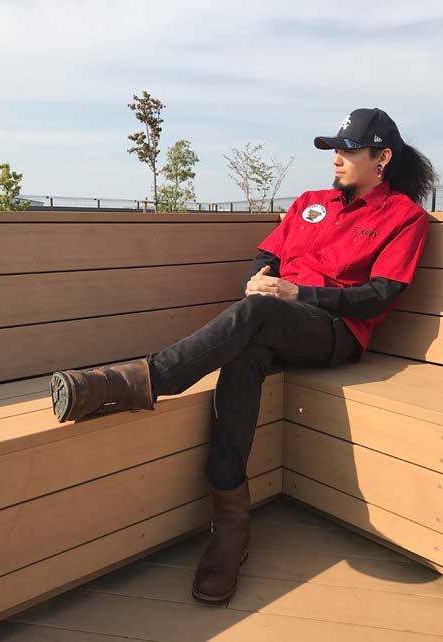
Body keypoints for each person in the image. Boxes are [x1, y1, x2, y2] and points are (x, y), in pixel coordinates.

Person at [50, 107, 437, 605]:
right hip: (271, 320)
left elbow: (380, 295)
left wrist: (299, 294)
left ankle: (137, 380)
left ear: (381, 158)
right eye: (333, 149)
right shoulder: (310, 203)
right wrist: (258, 278)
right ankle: (230, 523)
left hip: (335, 332)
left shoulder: (403, 216)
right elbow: (268, 255)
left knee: (256, 316)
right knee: (245, 351)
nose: (336, 158)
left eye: (347, 150)